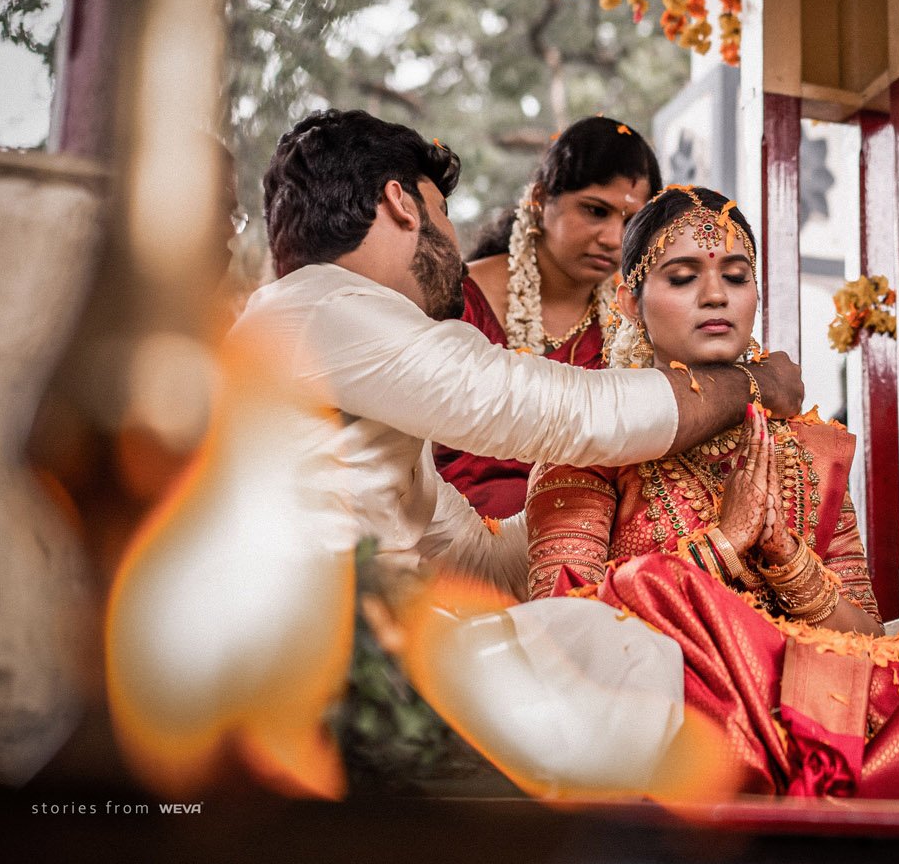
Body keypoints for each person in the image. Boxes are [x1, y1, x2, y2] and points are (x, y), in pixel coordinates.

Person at [525, 186, 899, 799]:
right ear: (628, 302)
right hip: (676, 691)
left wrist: (790, 564)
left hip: (805, 684)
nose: (715, 296)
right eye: (682, 277)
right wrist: (723, 544)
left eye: (736, 275)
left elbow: (868, 634)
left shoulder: (810, 449)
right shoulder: (592, 442)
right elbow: (560, 630)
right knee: (669, 623)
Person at [228, 110, 803, 583]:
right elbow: (567, 413)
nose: (454, 243)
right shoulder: (320, 310)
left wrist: (610, 503)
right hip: (311, 649)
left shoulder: (347, 355)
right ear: (403, 204)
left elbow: (484, 560)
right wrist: (757, 384)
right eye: (444, 213)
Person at [434, 117, 661, 522]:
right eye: (596, 211)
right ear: (540, 198)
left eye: (630, 222)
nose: (613, 238)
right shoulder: (458, 298)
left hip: (584, 554)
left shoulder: (632, 325)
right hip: (455, 552)